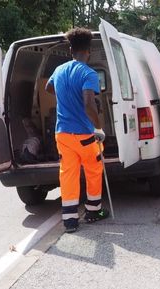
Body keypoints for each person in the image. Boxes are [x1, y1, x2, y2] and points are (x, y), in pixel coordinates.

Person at [46, 28, 109, 233]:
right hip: (84, 134)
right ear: (88, 51)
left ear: (71, 49)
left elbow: (49, 88)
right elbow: (89, 104)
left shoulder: (59, 71)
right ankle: (93, 211)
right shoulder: (89, 74)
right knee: (93, 170)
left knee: (68, 173)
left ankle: (70, 219)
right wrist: (98, 127)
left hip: (62, 133)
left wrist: (65, 93)